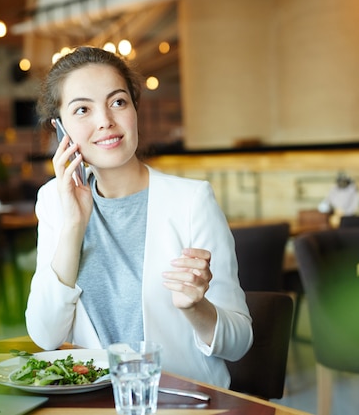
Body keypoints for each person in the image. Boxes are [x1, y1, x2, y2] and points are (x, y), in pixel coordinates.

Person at [25, 46, 253, 388]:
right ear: (60, 129)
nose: (105, 120)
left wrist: (196, 307)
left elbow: (239, 342)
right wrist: (74, 224)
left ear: (134, 110)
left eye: (118, 102)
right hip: (96, 404)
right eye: (83, 109)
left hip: (180, 402)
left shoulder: (191, 200)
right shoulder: (54, 201)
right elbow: (45, 335)